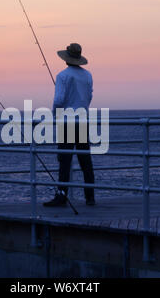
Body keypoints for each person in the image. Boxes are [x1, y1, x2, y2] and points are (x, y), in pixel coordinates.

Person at [43, 43, 95, 207]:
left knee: (64, 161)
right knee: (85, 161)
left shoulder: (62, 76)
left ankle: (61, 197)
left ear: (66, 58)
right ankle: (90, 197)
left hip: (67, 121)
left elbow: (59, 100)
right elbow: (89, 97)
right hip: (82, 120)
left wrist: (55, 114)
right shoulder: (88, 76)